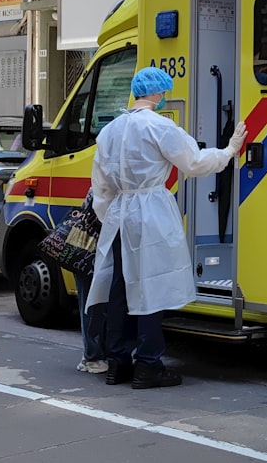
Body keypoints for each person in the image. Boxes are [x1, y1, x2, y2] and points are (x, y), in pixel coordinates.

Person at [87, 66, 247, 389]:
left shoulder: (110, 132)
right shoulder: (160, 127)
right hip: (151, 214)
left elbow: (100, 186)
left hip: (120, 214)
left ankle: (117, 363)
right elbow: (195, 162)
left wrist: (110, 216)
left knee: (120, 288)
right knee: (152, 287)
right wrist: (230, 150)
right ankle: (148, 365)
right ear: (158, 93)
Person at [74, 188, 108, 374]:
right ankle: (93, 356)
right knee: (94, 305)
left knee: (89, 303)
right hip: (93, 254)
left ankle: (92, 355)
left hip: (84, 251)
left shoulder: (99, 181)